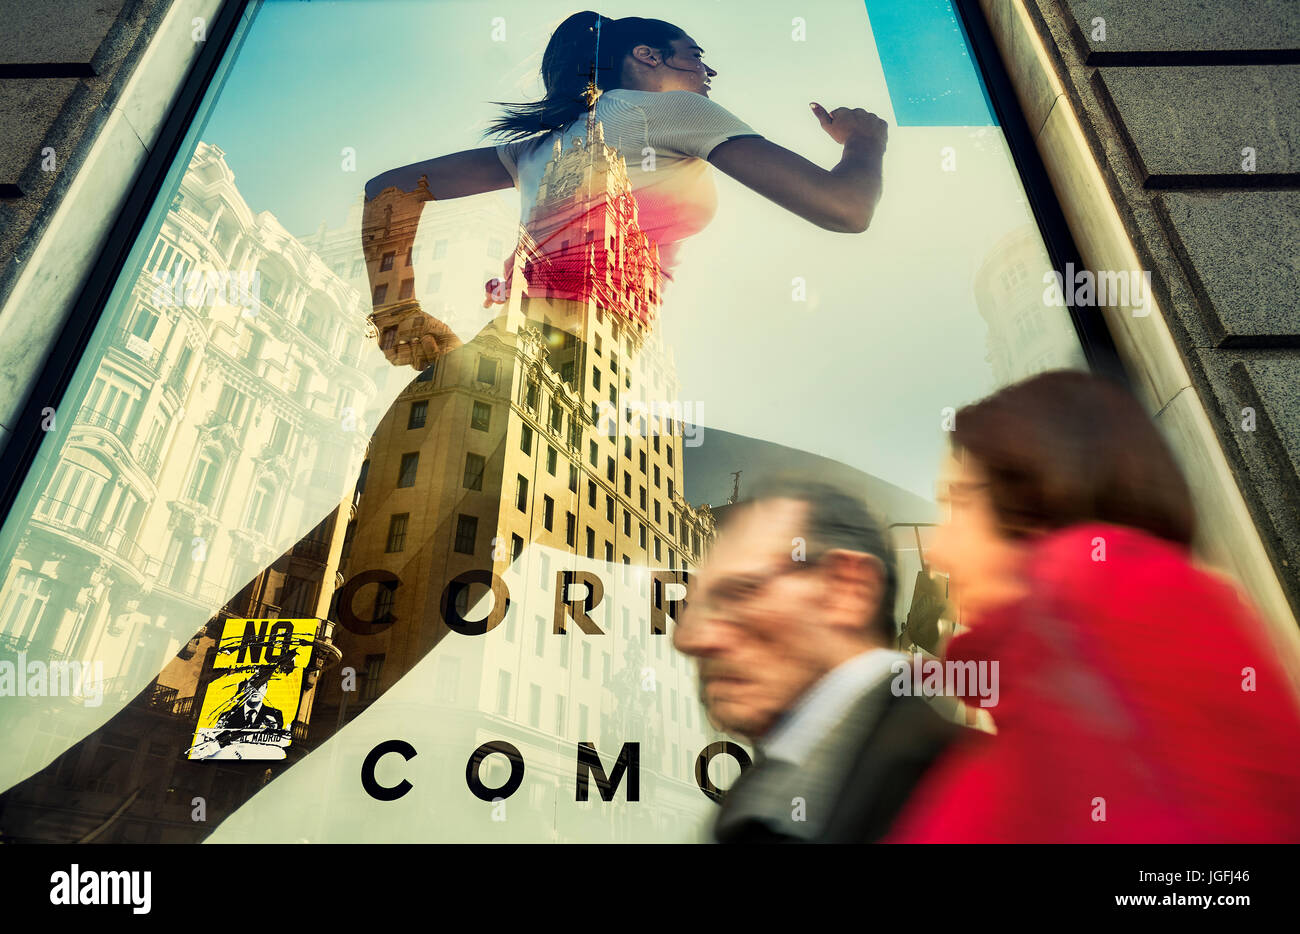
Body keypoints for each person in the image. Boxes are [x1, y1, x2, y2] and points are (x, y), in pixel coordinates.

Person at [886, 369, 1300, 843]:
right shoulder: (1179, 663)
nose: (939, 553)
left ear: (1039, 507)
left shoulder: (1075, 714)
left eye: (960, 503)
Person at [362, 11, 889, 369]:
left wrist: (396, 314)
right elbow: (845, 209)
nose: (709, 71)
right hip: (580, 359)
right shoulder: (672, 110)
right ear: (648, 55)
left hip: (513, 355)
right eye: (695, 55)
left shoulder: (544, 142)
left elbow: (391, 188)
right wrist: (865, 141)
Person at [672, 474, 963, 843]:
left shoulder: (963, 782)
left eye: (740, 592)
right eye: (698, 606)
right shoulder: (762, 788)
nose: (689, 638)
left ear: (846, 589)